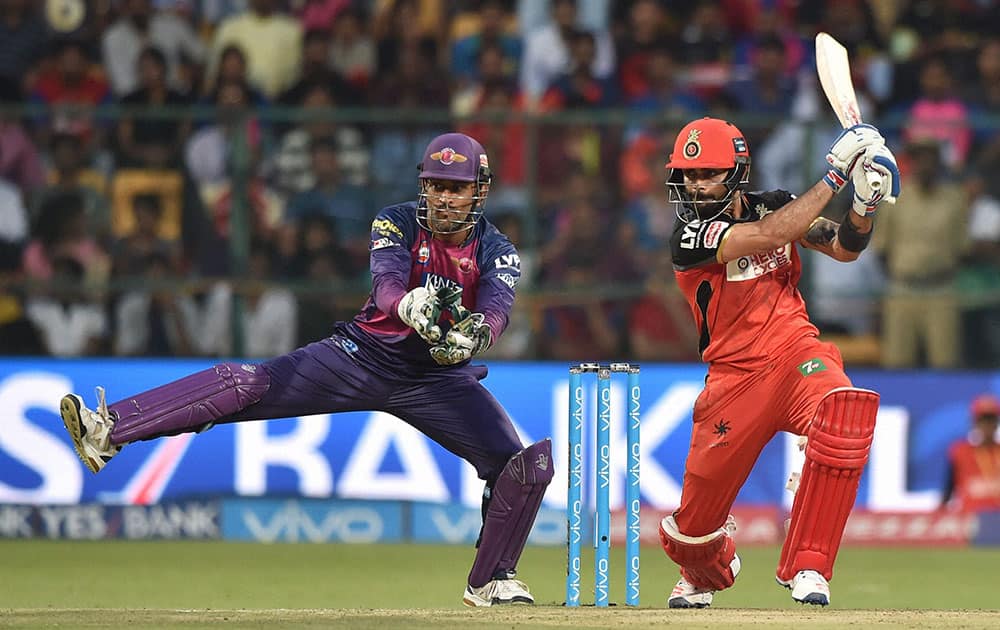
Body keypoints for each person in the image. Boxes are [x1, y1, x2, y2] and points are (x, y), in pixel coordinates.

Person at [58, 132, 551, 607]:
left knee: (522, 466)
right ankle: (108, 429)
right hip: (361, 356)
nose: (444, 199)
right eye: (436, 187)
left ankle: (492, 581)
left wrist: (479, 332)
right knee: (246, 382)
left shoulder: (496, 249)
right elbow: (385, 284)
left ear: (479, 191)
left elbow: (498, 307)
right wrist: (409, 307)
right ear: (423, 186)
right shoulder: (395, 222)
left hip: (436, 380)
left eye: (457, 188)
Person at [656, 117, 900, 608]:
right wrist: (834, 173)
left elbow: (844, 248)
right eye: (689, 174)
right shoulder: (690, 237)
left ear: (738, 172)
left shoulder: (777, 203)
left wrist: (864, 204)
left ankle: (809, 565)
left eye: (710, 173)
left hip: (795, 355)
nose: (696, 184)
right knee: (687, 537)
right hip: (734, 380)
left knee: (842, 413)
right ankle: (708, 569)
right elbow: (769, 235)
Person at [941, 394, 1000, 512]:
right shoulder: (960, 452)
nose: (987, 425)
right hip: (970, 519)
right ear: (974, 422)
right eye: (982, 420)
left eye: (991, 420)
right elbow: (948, 491)